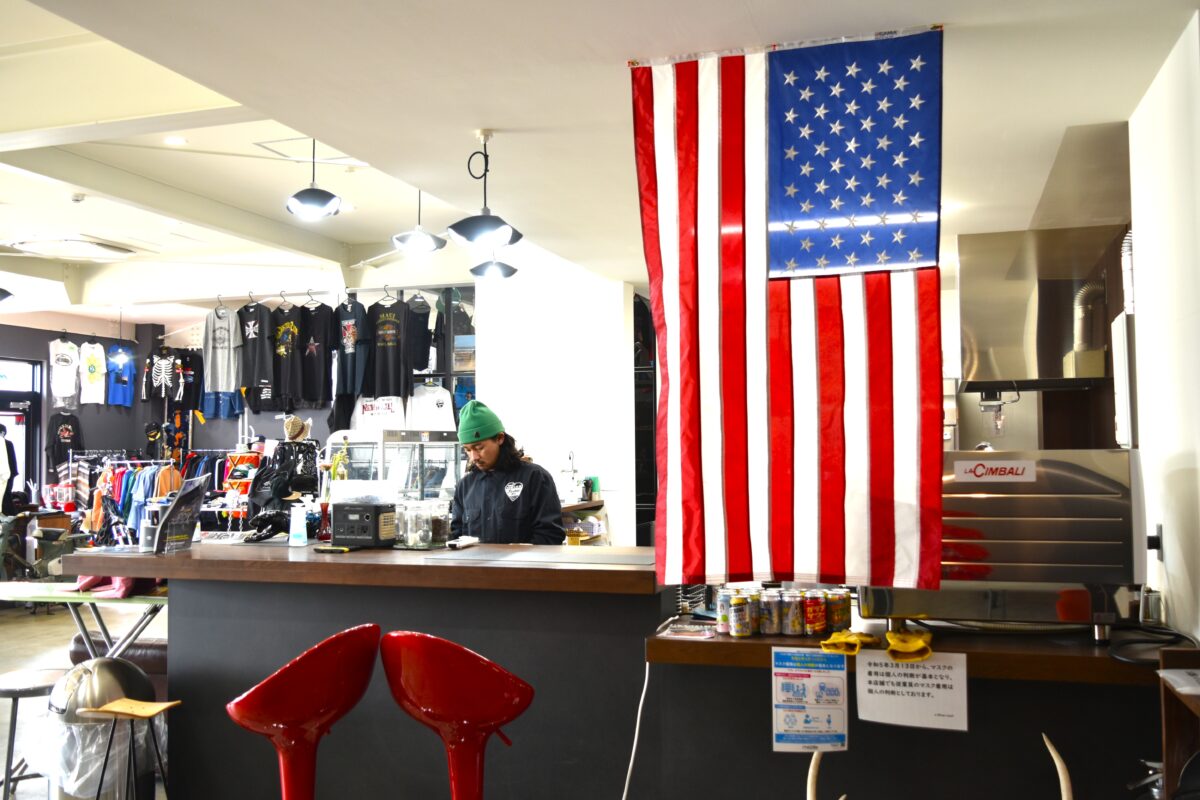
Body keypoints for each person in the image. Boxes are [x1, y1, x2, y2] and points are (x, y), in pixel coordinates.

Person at [450, 400, 564, 545]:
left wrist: (519, 553)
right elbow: (457, 536)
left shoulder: (535, 477)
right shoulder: (465, 486)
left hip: (524, 560)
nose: (474, 457)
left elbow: (551, 535)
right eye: (467, 450)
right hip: (475, 561)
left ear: (500, 438)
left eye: (479, 448)